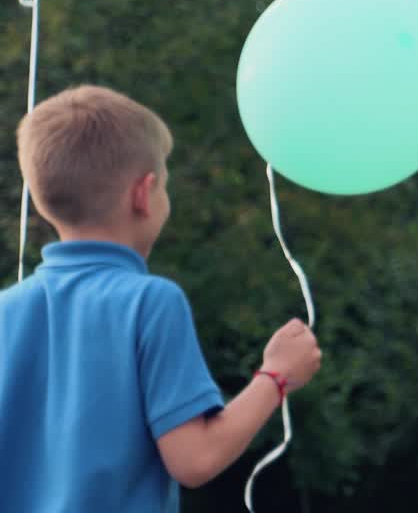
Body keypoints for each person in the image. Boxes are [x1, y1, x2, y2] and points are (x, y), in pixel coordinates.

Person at [0, 85, 323, 512]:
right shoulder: (151, 303)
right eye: (164, 187)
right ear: (143, 194)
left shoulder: (6, 309)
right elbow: (195, 459)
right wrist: (277, 376)